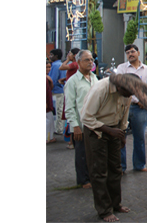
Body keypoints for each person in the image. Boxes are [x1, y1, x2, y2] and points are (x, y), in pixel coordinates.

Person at [80, 75, 135, 222]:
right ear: (120, 86)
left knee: (116, 169)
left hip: (114, 129)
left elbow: (124, 114)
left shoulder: (127, 91)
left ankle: (115, 204)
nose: (130, 96)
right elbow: (85, 117)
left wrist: (122, 133)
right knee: (99, 171)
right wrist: (109, 131)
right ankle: (104, 211)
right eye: (128, 93)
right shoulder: (101, 88)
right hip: (96, 130)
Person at [116, 44, 147, 173]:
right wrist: (137, 100)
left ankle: (139, 165)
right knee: (121, 137)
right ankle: (121, 167)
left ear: (138, 53)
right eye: (127, 52)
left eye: (132, 51)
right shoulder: (121, 69)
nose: (130, 54)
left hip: (140, 109)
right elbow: (120, 87)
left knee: (140, 138)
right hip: (124, 107)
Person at [64, 50, 98, 189]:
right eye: (87, 60)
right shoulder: (73, 82)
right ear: (78, 62)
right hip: (80, 125)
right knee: (82, 153)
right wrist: (75, 126)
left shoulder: (95, 78)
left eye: (91, 60)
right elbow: (69, 106)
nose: (90, 62)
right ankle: (83, 180)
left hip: (94, 124)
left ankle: (92, 176)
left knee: (94, 153)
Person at [60, 48, 81, 149]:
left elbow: (62, 67)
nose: (69, 55)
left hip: (73, 91)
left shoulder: (74, 64)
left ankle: (72, 142)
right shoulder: (76, 65)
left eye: (70, 53)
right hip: (71, 88)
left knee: (71, 113)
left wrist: (68, 59)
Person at [49, 49, 67, 135]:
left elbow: (53, 79)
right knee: (60, 109)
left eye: (51, 55)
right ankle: (59, 128)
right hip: (61, 89)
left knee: (58, 110)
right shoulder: (61, 64)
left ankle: (59, 129)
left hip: (56, 90)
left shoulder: (55, 65)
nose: (50, 56)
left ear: (56, 56)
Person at [46, 59, 56, 144]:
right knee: (48, 120)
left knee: (50, 119)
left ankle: (50, 137)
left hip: (48, 102)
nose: (48, 69)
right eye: (46, 67)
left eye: (49, 67)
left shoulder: (47, 78)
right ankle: (47, 137)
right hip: (46, 103)